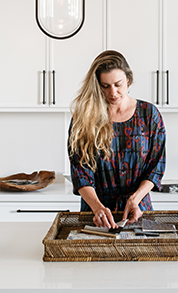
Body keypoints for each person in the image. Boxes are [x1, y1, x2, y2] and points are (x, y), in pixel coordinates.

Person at [68, 50, 166, 229]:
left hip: (138, 211)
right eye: (105, 86)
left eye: (118, 84)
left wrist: (135, 199)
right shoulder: (84, 118)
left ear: (128, 79)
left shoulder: (149, 114)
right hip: (96, 214)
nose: (113, 92)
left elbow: (156, 167)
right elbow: (80, 172)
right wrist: (97, 207)